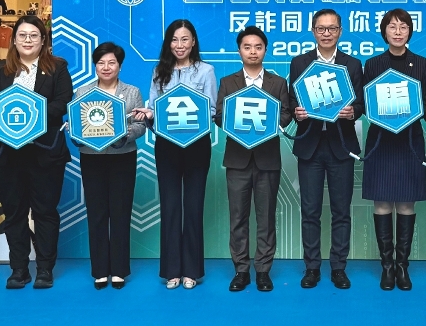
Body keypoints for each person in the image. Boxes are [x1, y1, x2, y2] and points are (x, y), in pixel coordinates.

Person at [0, 16, 73, 290]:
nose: (27, 40)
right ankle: (19, 269)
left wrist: (30, 113)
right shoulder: (0, 70)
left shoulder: (57, 68)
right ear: (14, 40)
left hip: (45, 152)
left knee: (45, 212)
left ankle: (45, 268)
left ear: (43, 40)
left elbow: (63, 103)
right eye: (22, 35)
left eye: (34, 35)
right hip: (8, 153)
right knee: (14, 212)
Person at [136, 19, 216, 290]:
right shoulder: (159, 71)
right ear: (168, 43)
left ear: (193, 42)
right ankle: (172, 270)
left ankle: (192, 270)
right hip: (167, 146)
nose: (179, 45)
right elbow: (153, 108)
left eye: (184, 39)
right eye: (174, 39)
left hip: (197, 146)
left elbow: (212, 110)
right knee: (170, 207)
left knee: (193, 207)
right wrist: (149, 114)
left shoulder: (206, 71)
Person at [288, 9, 364, 290]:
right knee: (310, 211)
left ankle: (339, 267)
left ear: (340, 31)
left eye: (332, 28)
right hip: (309, 144)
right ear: (313, 31)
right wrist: (297, 112)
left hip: (341, 145)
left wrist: (352, 112)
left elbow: (361, 103)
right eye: (321, 28)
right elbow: (292, 98)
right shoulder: (299, 63)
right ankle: (312, 267)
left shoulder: (352, 64)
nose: (327, 33)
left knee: (341, 211)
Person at [213, 26, 293, 292]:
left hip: (267, 160)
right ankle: (241, 270)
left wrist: (265, 123)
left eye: (258, 47)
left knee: (266, 217)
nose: (253, 52)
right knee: (238, 217)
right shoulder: (228, 82)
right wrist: (241, 123)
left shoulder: (277, 83)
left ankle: (263, 270)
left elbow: (286, 115)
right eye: (247, 47)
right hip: (237, 160)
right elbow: (219, 116)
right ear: (239, 51)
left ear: (265, 50)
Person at [362, 8, 426, 291]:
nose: (398, 31)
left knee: (406, 203)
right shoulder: (373, 64)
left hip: (410, 142)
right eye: (392, 26)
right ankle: (387, 267)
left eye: (403, 26)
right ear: (384, 32)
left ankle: (402, 266)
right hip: (381, 141)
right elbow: (366, 104)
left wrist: (410, 109)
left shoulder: (423, 64)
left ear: (410, 31)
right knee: (382, 203)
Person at [73, 42, 145, 290]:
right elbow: (76, 123)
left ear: (120, 66)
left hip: (122, 156)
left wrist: (125, 135)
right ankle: (100, 270)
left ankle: (120, 270)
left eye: (111, 62)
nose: (106, 67)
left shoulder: (132, 92)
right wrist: (76, 133)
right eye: (101, 63)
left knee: (121, 212)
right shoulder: (83, 92)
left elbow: (141, 125)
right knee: (97, 213)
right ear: (95, 66)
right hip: (91, 157)